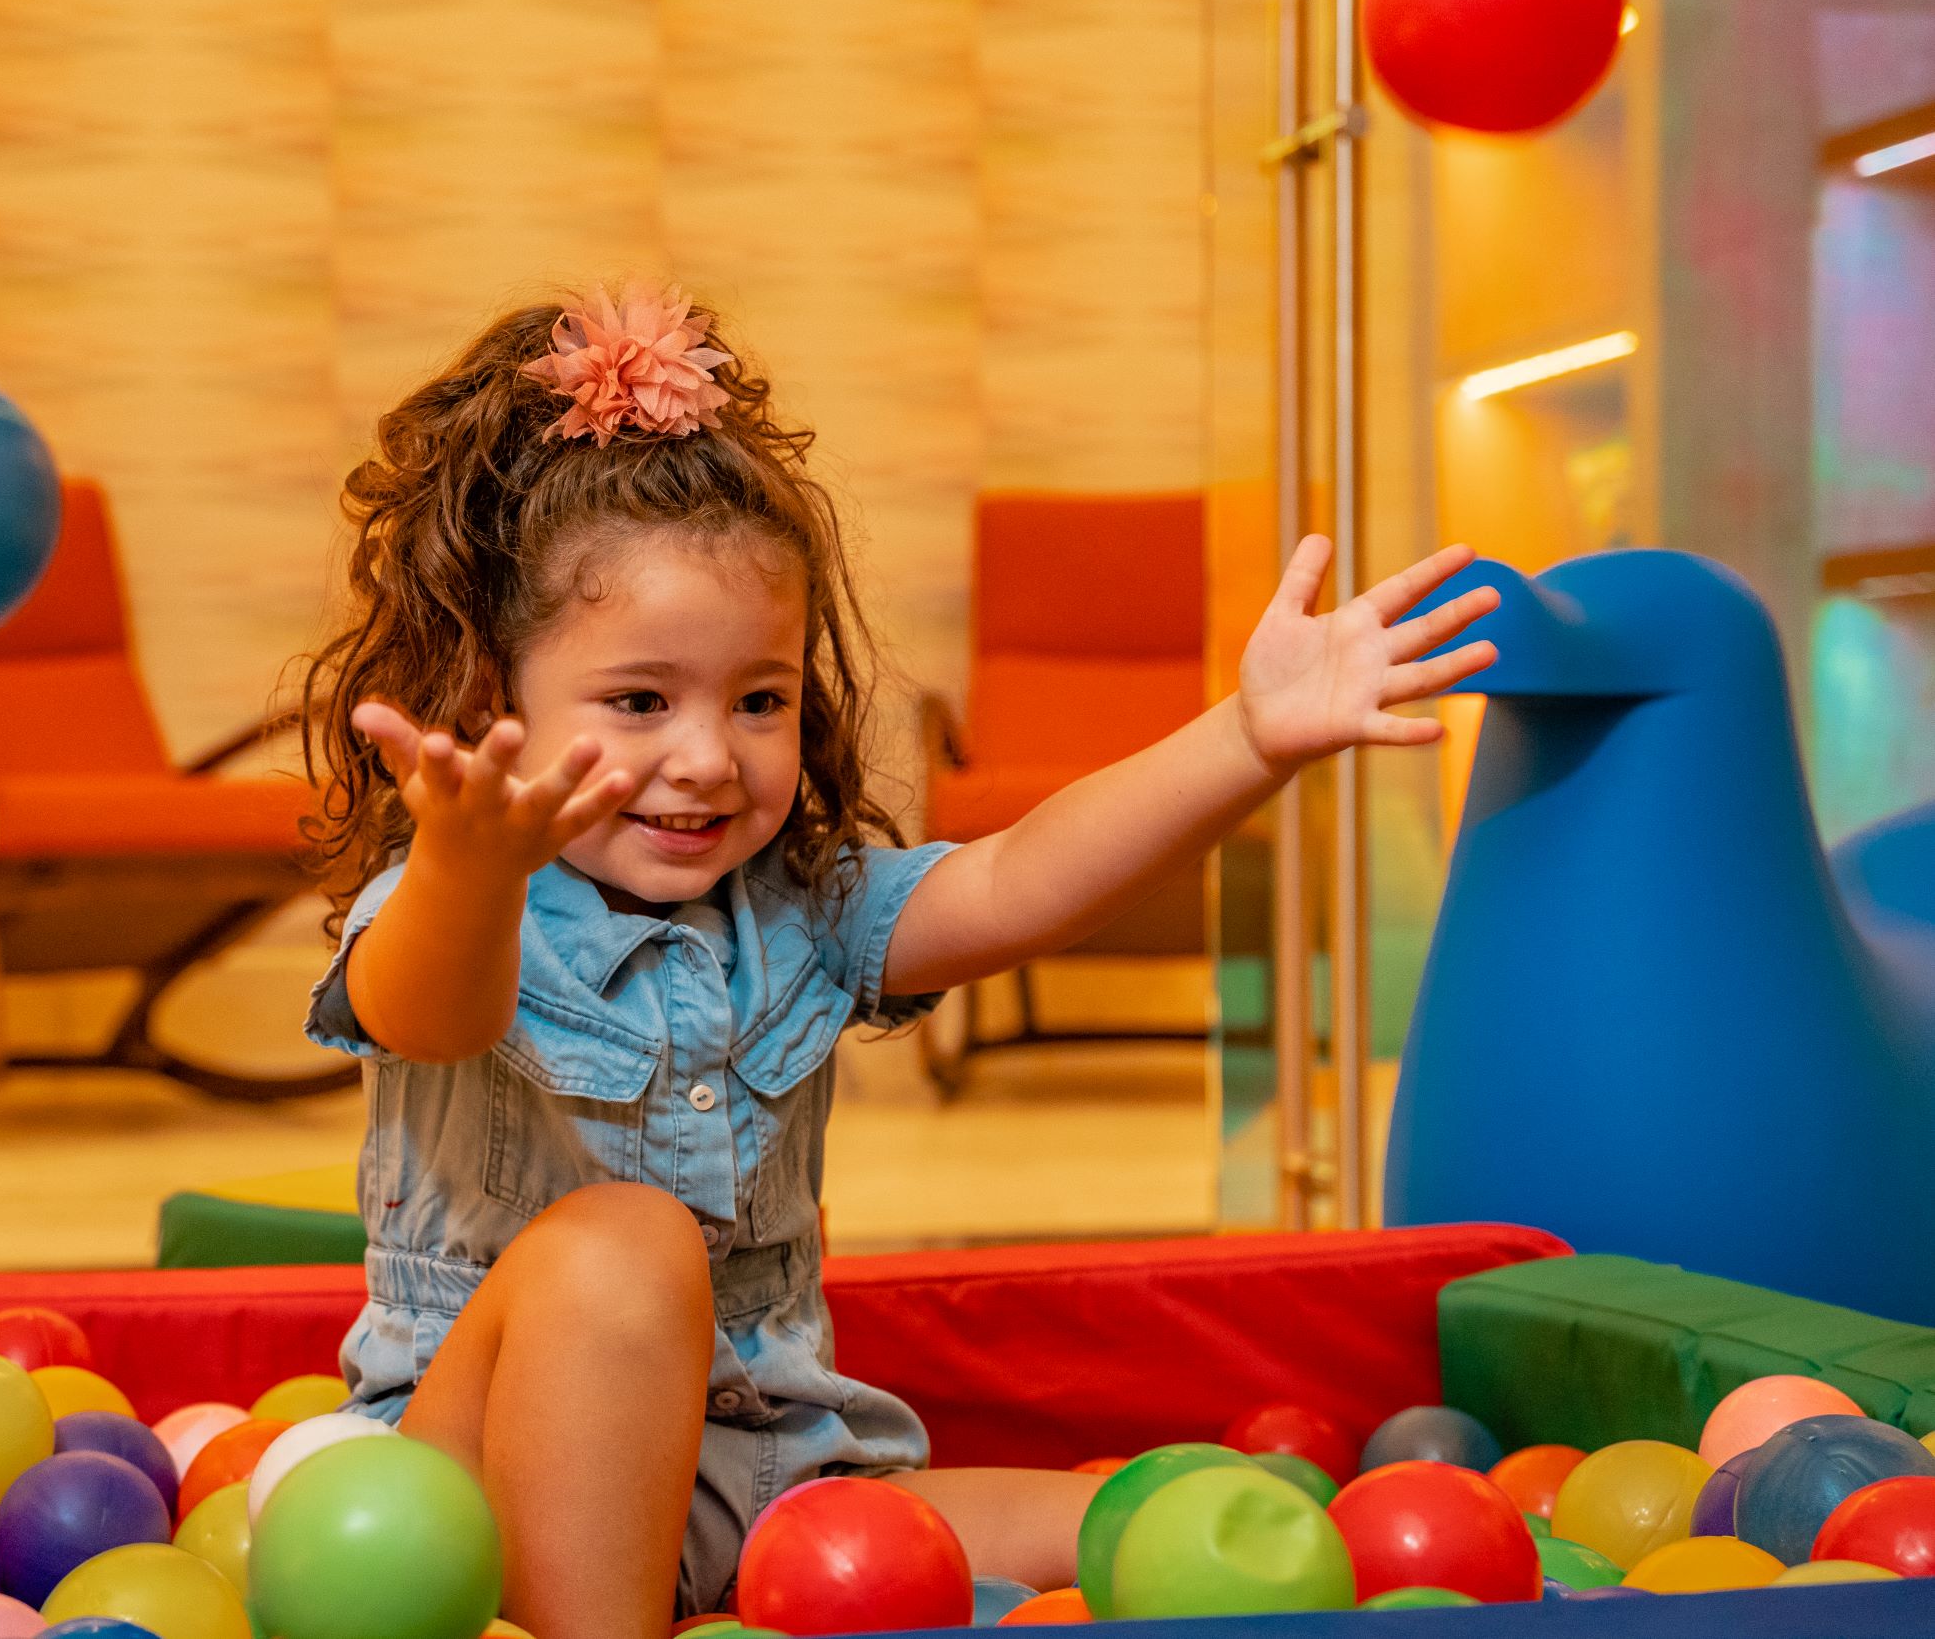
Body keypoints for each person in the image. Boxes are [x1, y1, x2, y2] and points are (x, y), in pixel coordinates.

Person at [286, 285, 1499, 1637]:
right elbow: (429, 1012)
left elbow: (1022, 881)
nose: (707, 756)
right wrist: (468, 863)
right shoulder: (456, 899)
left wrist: (1249, 738)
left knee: (1138, 1523)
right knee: (624, 1244)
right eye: (639, 701)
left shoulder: (806, 907)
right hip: (482, 1490)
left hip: (774, 1478)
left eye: (760, 700)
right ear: (489, 700)